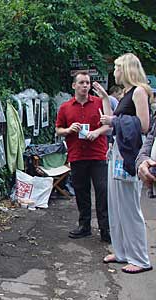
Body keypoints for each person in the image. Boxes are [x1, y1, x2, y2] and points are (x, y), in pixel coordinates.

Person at [94, 53, 154, 274]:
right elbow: (112, 123)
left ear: (127, 69)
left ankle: (140, 258)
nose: (115, 72)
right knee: (116, 205)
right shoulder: (126, 93)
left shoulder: (138, 91)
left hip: (129, 153)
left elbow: (145, 125)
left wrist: (115, 121)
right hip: (117, 151)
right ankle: (121, 252)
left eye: (118, 68)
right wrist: (103, 98)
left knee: (129, 207)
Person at [55, 71, 111, 242]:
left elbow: (108, 126)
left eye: (87, 82)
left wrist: (96, 132)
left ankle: (105, 229)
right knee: (81, 191)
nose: (85, 86)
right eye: (82, 83)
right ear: (74, 86)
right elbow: (58, 129)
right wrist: (69, 130)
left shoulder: (99, 103)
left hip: (97, 154)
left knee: (102, 191)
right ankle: (84, 226)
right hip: (77, 155)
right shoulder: (65, 107)